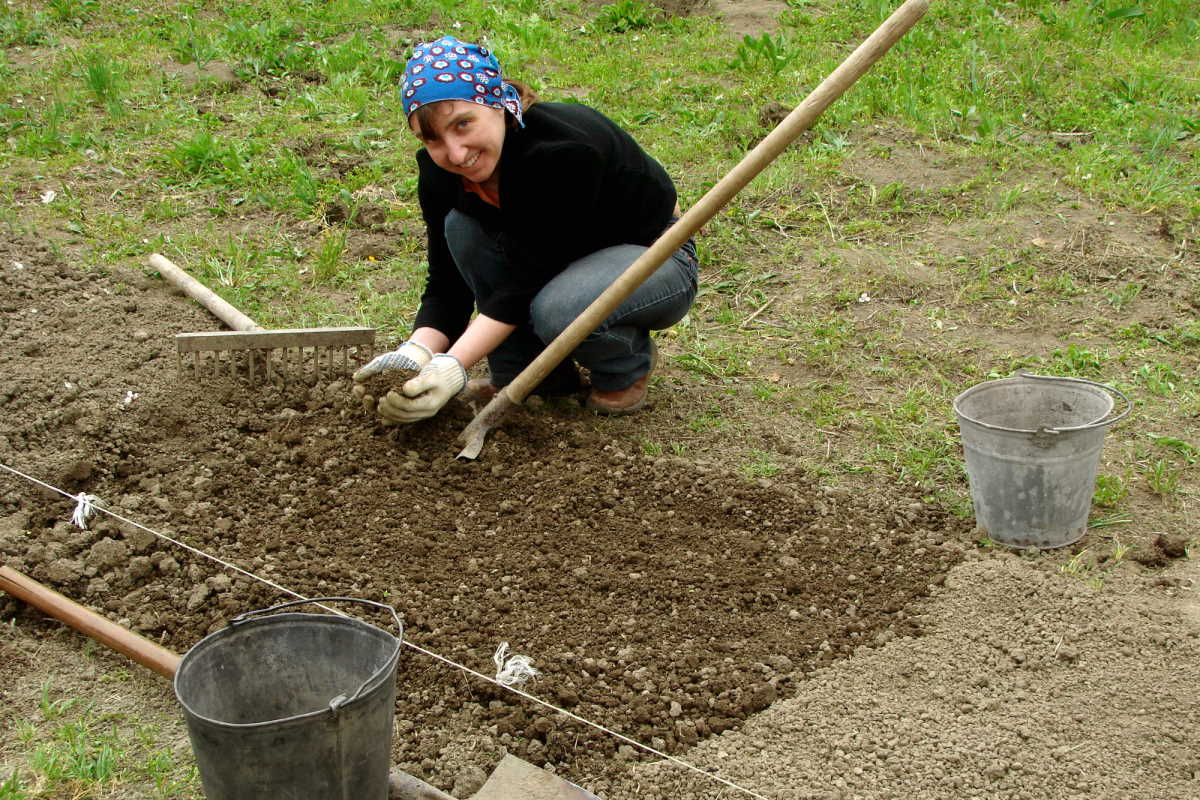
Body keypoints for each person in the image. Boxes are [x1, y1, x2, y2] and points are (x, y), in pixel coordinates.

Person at [354, 34, 698, 423]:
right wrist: (415, 354)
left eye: (463, 124)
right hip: (553, 261)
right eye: (432, 138)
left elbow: (525, 282)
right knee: (461, 229)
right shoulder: (439, 173)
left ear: (497, 105)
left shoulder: (561, 153)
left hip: (653, 255)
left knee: (560, 309)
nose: (455, 153)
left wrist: (453, 365)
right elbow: (447, 283)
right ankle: (530, 378)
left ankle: (622, 367)